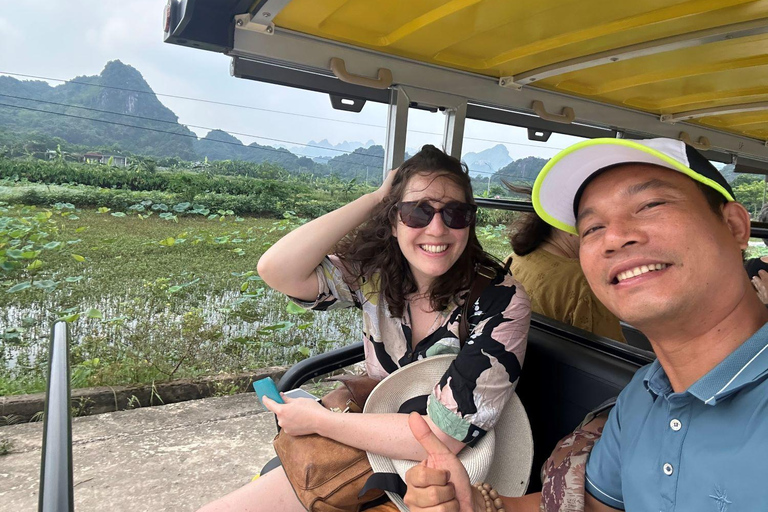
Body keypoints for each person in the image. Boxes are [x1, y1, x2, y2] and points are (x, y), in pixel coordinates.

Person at [403, 137, 768, 511]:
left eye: (650, 205)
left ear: (735, 225)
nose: (614, 237)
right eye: (592, 228)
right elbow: (594, 507)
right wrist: (478, 506)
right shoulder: (642, 398)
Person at [198, 145, 531, 512]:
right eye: (417, 211)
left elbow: (444, 435)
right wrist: (375, 198)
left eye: (456, 213)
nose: (437, 228)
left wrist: (320, 422)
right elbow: (278, 270)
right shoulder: (376, 275)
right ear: (393, 220)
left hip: (451, 478)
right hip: (373, 446)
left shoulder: (500, 300)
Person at [506, 185, 625, 342]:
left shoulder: (513, 259)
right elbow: (614, 355)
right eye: (595, 226)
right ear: (566, 224)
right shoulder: (584, 281)